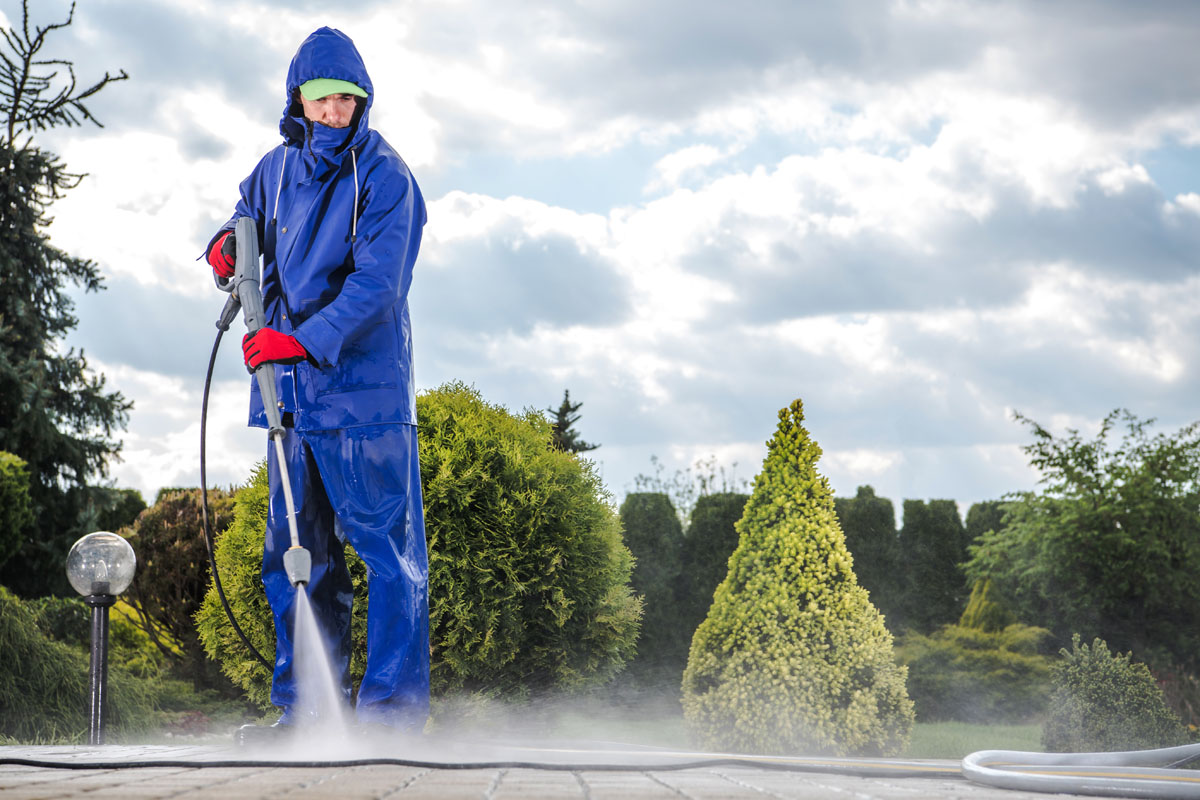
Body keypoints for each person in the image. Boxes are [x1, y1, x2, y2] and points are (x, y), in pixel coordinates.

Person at [204, 27, 429, 740]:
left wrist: (300, 340)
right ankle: (306, 714)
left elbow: (378, 286)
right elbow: (243, 225)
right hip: (290, 398)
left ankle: (390, 723)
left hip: (363, 398)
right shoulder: (273, 170)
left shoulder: (385, 176)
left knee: (387, 558)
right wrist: (222, 250)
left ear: (363, 101)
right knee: (296, 558)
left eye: (347, 100)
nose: (335, 112)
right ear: (298, 99)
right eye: (324, 99)